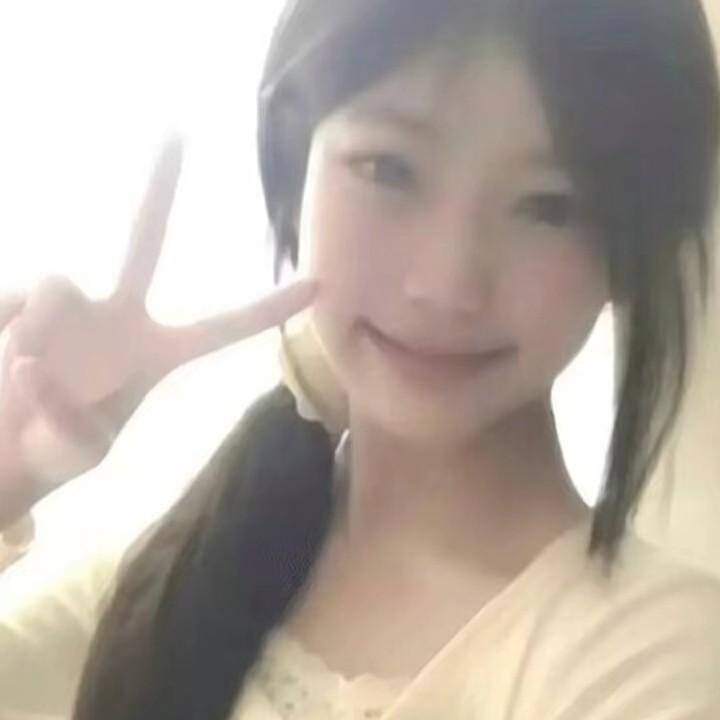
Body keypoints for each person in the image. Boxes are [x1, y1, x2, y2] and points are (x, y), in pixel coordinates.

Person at [1, 0, 720, 718]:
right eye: (389, 169)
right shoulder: (188, 566)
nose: (447, 286)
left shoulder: (655, 663)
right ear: (296, 165)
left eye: (549, 206)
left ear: (631, 252)